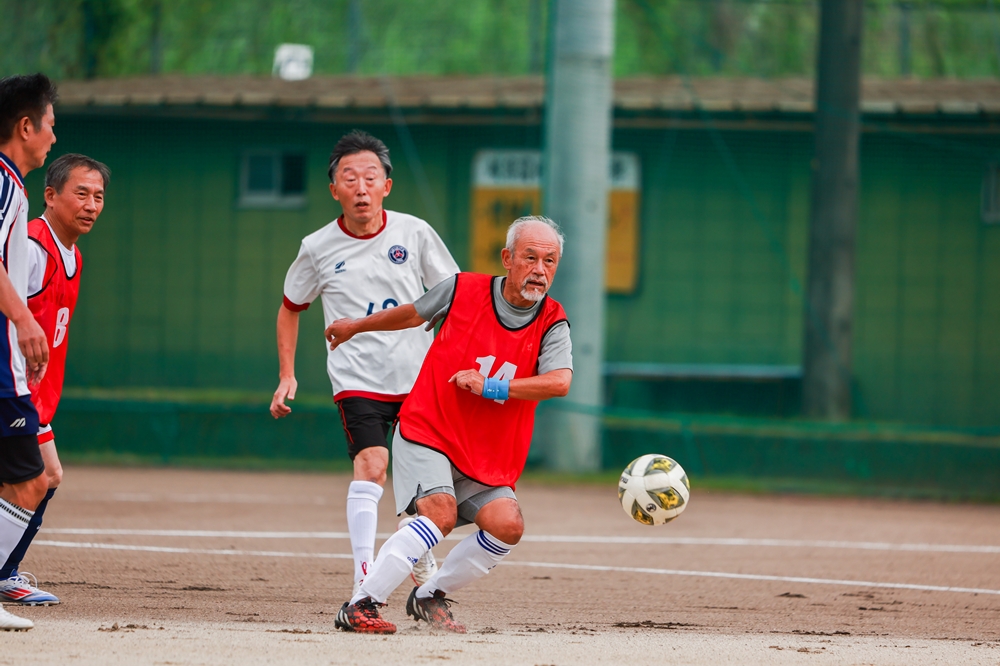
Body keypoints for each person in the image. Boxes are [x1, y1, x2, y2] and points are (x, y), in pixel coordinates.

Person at [325, 215, 573, 634]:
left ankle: (429, 594)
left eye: (549, 261)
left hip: (485, 455)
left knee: (508, 526)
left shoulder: (553, 320)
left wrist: (491, 386)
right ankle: (360, 604)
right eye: (530, 258)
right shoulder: (463, 289)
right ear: (507, 258)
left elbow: (559, 382)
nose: (539, 270)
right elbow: (411, 314)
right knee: (440, 514)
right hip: (429, 431)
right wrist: (355, 326)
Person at [269, 130, 458, 602]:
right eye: (349, 178)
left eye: (370, 177)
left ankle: (413, 541)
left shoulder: (414, 233)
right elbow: (291, 307)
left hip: (417, 378)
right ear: (333, 189)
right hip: (358, 379)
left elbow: (452, 295)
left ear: (386, 186)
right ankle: (363, 578)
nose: (360, 187)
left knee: (424, 488)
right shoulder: (317, 246)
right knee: (372, 465)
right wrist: (287, 374)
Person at [0, 154, 109, 607]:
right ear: (50, 195)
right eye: (81, 194)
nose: (91, 205)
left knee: (43, 477)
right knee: (42, 477)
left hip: (35, 394)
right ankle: (4, 573)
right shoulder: (29, 247)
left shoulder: (73, 256)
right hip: (12, 388)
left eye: (98, 196)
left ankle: (6, 572)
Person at [0, 73, 58, 631]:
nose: (53, 138)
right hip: (1, 366)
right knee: (31, 480)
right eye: (50, 125)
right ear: (25, 126)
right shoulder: (3, 181)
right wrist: (22, 318)